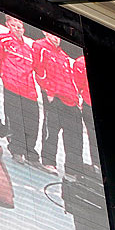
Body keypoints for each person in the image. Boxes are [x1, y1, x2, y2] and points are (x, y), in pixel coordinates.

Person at [0, 16, 39, 164]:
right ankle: (17, 151)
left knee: (32, 124)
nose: (17, 29)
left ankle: (31, 154)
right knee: (15, 121)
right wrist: (5, 77)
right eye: (14, 26)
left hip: (30, 92)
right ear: (7, 25)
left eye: (20, 27)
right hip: (13, 87)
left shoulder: (28, 49)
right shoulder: (2, 40)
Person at [35, 31, 81, 176]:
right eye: (53, 35)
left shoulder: (64, 56)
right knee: (51, 131)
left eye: (58, 35)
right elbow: (39, 70)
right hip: (55, 98)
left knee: (74, 136)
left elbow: (70, 78)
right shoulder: (40, 46)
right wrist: (48, 90)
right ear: (45, 33)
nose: (56, 38)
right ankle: (48, 161)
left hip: (70, 100)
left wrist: (76, 98)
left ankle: (72, 169)